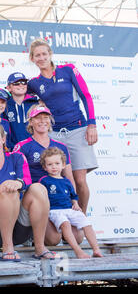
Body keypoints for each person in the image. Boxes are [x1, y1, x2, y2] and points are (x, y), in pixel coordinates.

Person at [0, 122, 60, 261]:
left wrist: (17, 183)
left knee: (38, 188)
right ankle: (8, 248)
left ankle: (40, 247)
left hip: (20, 228)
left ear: (3, 139)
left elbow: (27, 180)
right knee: (7, 188)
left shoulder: (16, 157)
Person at [27, 38, 98, 214]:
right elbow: (23, 99)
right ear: (32, 59)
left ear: (50, 54)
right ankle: (64, 218)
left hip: (77, 129)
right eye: (37, 55)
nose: (41, 58)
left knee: (79, 180)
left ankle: (81, 219)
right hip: (54, 134)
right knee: (61, 178)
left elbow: (86, 96)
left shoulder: (68, 70)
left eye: (44, 54)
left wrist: (92, 124)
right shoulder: (34, 83)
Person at [12, 105, 83, 246]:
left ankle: (59, 224)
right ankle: (31, 228)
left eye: (46, 117)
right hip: (37, 199)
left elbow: (69, 177)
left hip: (59, 200)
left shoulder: (61, 147)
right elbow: (17, 179)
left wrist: (73, 200)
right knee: (53, 240)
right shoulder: (22, 146)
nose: (42, 121)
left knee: (78, 238)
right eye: (38, 118)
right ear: (30, 121)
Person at [39, 147, 103, 259]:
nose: (54, 167)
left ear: (63, 165)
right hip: (55, 211)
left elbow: (73, 195)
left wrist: (76, 204)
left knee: (86, 223)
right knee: (65, 224)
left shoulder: (66, 181)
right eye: (50, 164)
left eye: (57, 163)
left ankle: (96, 250)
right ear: (45, 167)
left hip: (69, 209)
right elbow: (41, 196)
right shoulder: (44, 180)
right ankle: (78, 251)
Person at [4, 72, 39, 147]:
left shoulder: (35, 103)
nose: (21, 85)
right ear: (9, 88)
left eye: (24, 82)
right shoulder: (4, 105)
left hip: (33, 147)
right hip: (13, 148)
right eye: (16, 83)